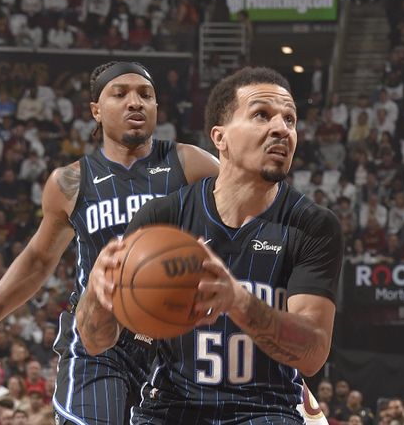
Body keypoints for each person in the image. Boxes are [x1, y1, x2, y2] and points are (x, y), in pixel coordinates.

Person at [0, 61, 221, 425]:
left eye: (145, 95)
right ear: (96, 111)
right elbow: (38, 261)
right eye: (120, 94)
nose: (135, 102)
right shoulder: (70, 182)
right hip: (98, 339)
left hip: (174, 342)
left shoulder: (192, 164)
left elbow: (251, 229)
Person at [77, 66, 343, 423]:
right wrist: (96, 293)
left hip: (264, 410)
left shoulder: (312, 225)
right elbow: (96, 341)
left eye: (290, 120)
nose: (282, 128)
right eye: (261, 115)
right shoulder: (164, 217)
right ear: (220, 138)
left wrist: (239, 302)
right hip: (170, 408)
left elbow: (313, 353)